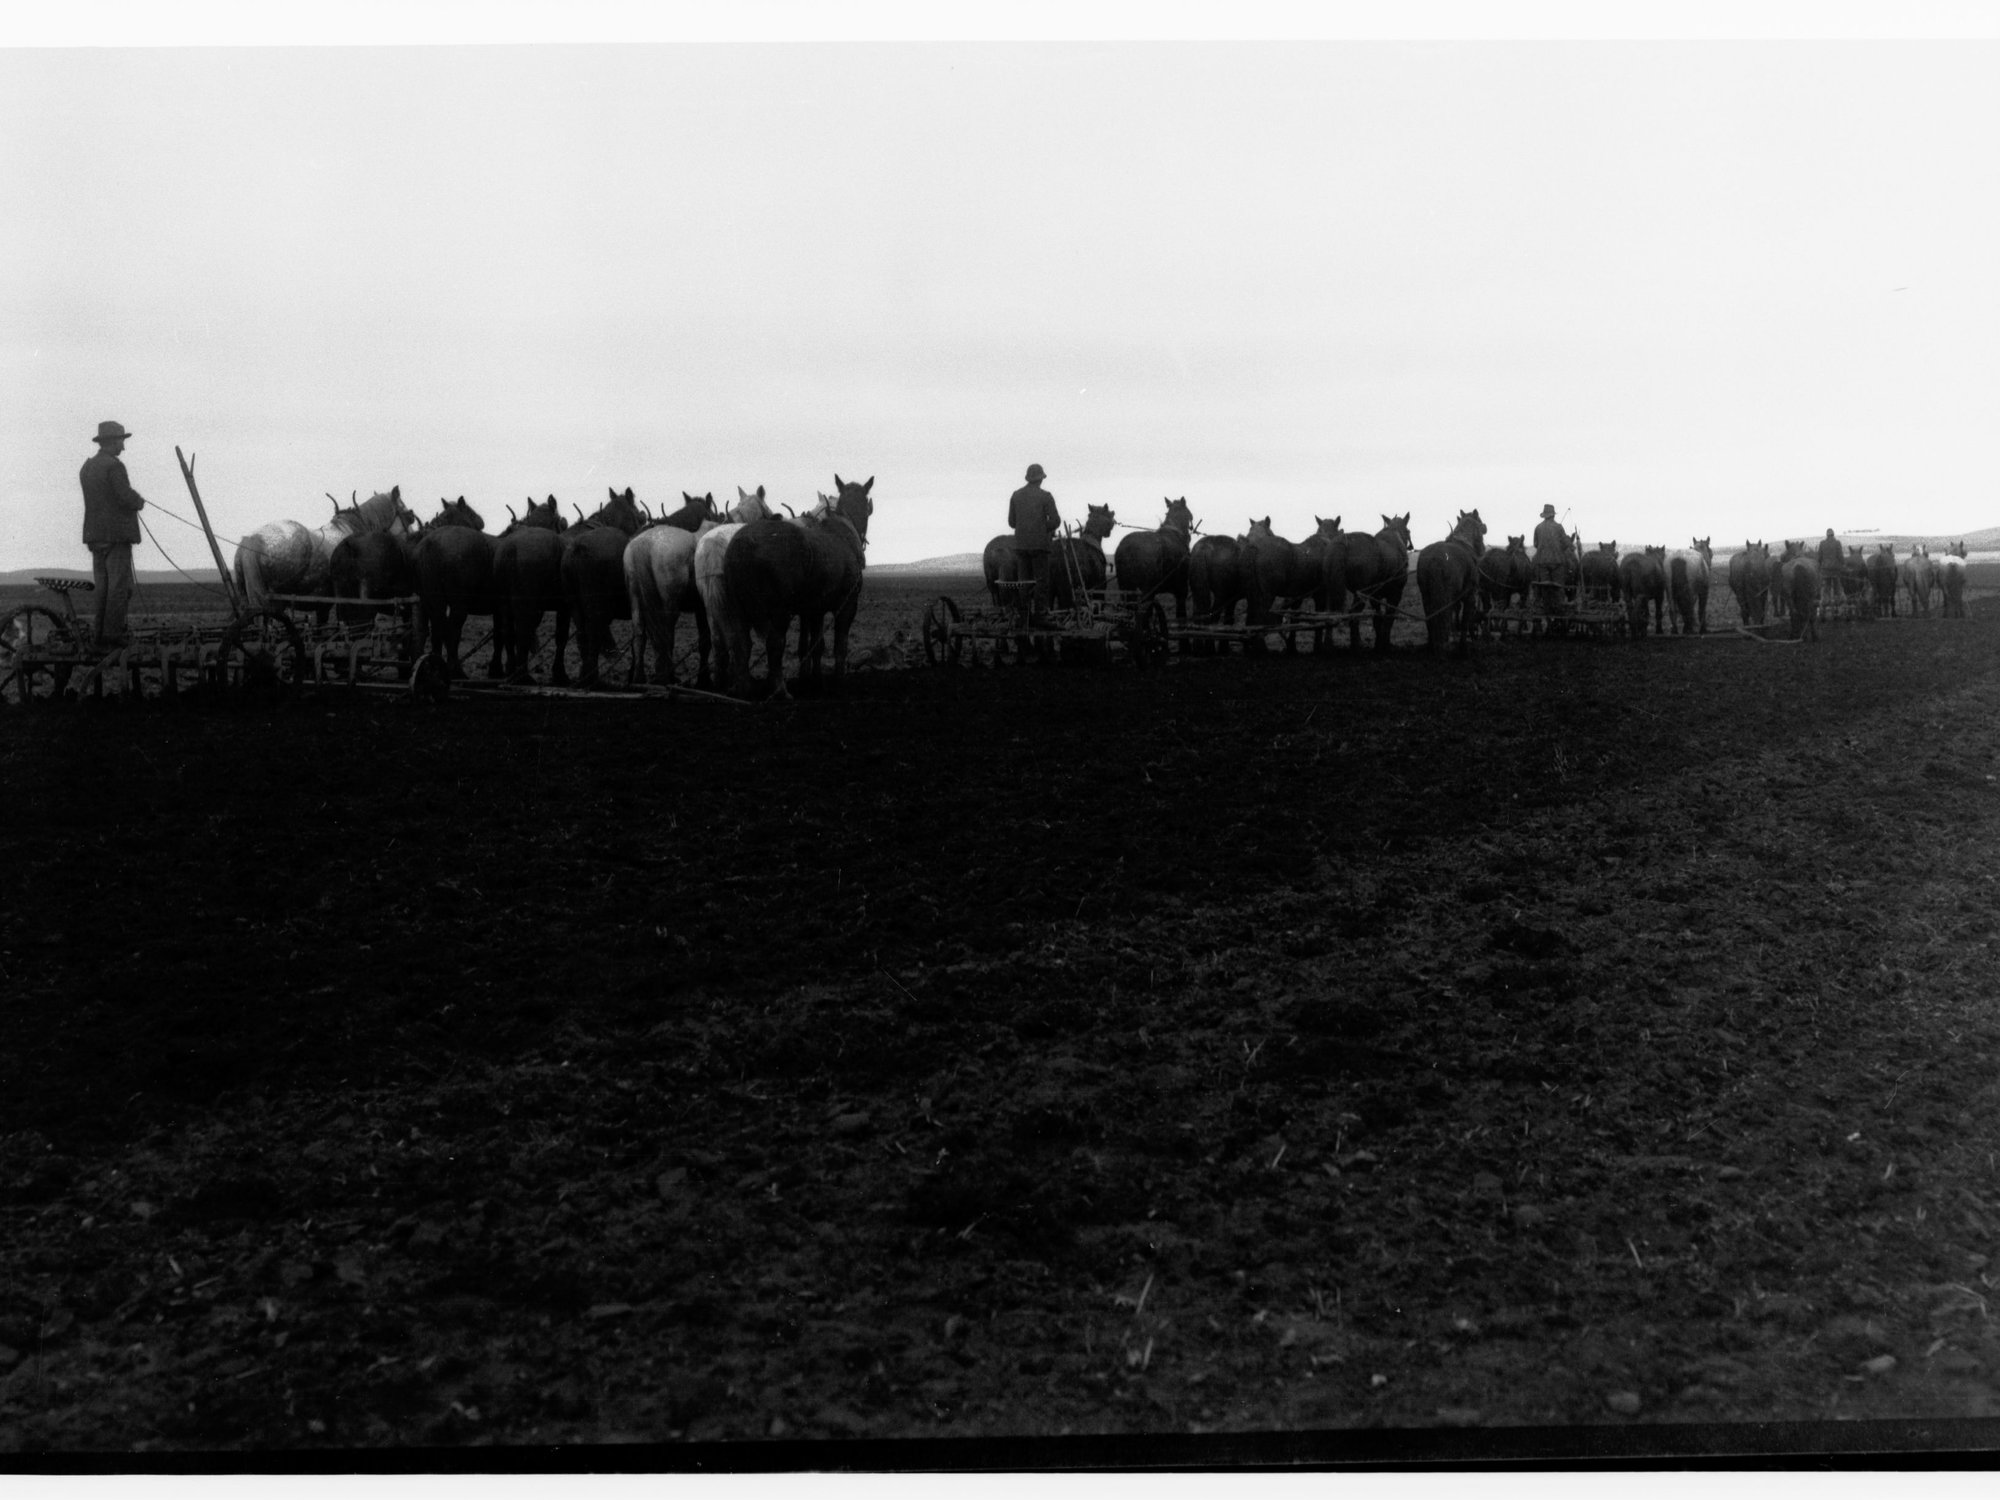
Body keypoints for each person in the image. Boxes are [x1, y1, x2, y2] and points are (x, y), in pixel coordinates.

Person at [78, 420, 147, 650]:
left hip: (95, 536)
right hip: (116, 537)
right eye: (121, 441)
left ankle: (99, 635)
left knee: (103, 588)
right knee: (120, 588)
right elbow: (123, 496)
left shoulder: (87, 467)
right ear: (111, 441)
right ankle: (113, 636)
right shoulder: (115, 466)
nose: (123, 447)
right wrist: (138, 501)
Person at [1006, 463, 1062, 625]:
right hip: (1040, 547)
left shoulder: (1015, 495)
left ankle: (1023, 614)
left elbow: (1011, 522)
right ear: (1040, 479)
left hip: (1021, 547)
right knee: (1041, 581)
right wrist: (1044, 528)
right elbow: (1056, 521)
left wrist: (1025, 526)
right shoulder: (1046, 496)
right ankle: (1040, 614)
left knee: (1023, 581)